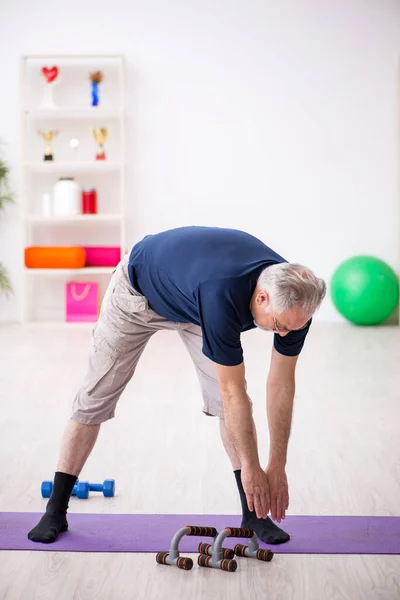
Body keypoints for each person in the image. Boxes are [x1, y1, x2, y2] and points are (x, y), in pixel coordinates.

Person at [28, 225, 326, 545]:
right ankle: (55, 511)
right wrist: (254, 467)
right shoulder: (222, 293)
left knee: (226, 406)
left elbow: (281, 385)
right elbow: (233, 392)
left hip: (193, 303)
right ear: (262, 297)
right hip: (137, 295)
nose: (284, 334)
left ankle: (253, 517)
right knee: (94, 398)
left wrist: (277, 466)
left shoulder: (295, 303)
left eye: (291, 328)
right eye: (279, 326)